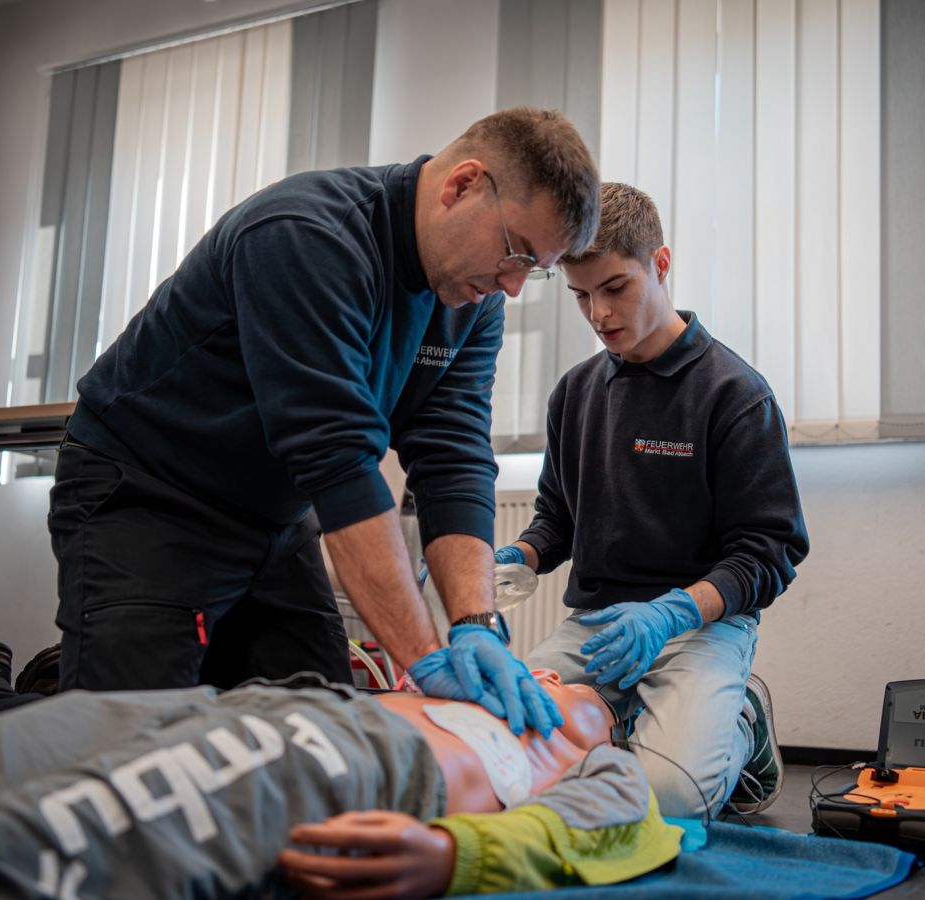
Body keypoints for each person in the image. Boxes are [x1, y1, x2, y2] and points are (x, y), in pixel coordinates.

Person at [39, 107, 600, 736]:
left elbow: (454, 453)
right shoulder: (306, 235)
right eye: (516, 252)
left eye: (534, 269)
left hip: (276, 515)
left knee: (321, 736)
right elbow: (338, 459)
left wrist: (475, 624)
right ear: (462, 185)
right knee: (127, 743)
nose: (514, 286)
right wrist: (424, 661)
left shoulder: (472, 298)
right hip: (151, 493)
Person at [0, 654, 682, 899]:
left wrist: (455, 854)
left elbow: (609, 828)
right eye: (558, 678)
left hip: (340, 757)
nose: (553, 686)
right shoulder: (481, 683)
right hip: (249, 704)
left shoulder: (592, 761)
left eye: (584, 699)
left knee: (22, 842)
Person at [494, 184, 810, 819]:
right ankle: (626, 718)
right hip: (597, 627)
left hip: (697, 626)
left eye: (616, 287)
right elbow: (557, 519)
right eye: (581, 295)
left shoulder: (735, 394)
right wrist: (513, 559)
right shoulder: (575, 393)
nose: (599, 313)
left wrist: (671, 613)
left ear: (660, 264)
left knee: (670, 798)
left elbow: (768, 553)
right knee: (498, 750)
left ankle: (742, 724)